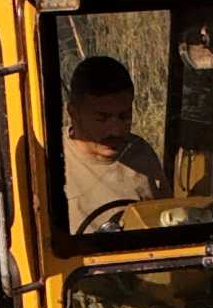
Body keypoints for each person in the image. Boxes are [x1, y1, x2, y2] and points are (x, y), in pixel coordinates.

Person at [61, 53, 168, 223]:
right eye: (102, 118)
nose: (116, 130)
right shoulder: (49, 160)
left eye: (124, 116)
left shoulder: (142, 154)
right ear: (73, 113)